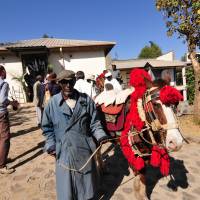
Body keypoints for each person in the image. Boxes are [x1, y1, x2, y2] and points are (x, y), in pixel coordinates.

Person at [41, 69, 109, 200]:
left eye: (70, 81)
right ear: (59, 84)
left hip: (83, 150)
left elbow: (95, 123)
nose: (68, 85)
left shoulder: (86, 100)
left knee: (86, 187)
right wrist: (51, 144)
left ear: (75, 81)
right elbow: (47, 128)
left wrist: (100, 135)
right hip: (63, 151)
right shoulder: (52, 104)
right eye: (64, 82)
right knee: (67, 190)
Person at [0, 65, 19, 174]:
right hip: (1, 113)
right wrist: (12, 102)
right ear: (2, 72)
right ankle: (2, 166)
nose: (6, 73)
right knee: (5, 138)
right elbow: (2, 100)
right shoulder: (4, 83)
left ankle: (2, 159)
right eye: (5, 71)